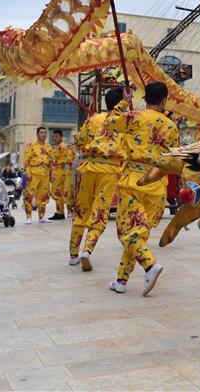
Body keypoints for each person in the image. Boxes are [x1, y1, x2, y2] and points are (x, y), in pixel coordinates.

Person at [104, 82, 178, 296]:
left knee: (127, 232)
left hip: (134, 180)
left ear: (145, 98)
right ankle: (121, 280)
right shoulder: (172, 126)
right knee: (138, 233)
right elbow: (172, 157)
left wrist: (124, 103)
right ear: (164, 100)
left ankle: (150, 266)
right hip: (157, 184)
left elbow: (109, 123)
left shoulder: (134, 116)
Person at [73, 87, 127, 269]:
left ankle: (73, 253)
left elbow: (79, 141)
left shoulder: (93, 119)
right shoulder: (125, 121)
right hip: (109, 170)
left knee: (82, 208)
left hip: (89, 167)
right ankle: (87, 250)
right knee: (100, 211)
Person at [22, 126, 52, 224]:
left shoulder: (49, 147)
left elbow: (52, 161)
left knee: (43, 196)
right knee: (29, 195)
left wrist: (53, 174)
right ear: (37, 134)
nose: (43, 134)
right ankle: (28, 217)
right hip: (34, 174)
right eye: (41, 132)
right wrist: (28, 172)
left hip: (45, 174)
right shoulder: (31, 146)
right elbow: (26, 160)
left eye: (45, 133)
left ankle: (41, 217)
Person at [48, 130, 75, 220]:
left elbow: (65, 161)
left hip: (60, 171)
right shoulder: (57, 147)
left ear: (61, 137)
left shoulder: (62, 147)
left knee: (57, 191)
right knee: (57, 191)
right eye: (54, 136)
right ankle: (60, 211)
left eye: (57, 136)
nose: (55, 138)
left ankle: (60, 212)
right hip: (56, 171)